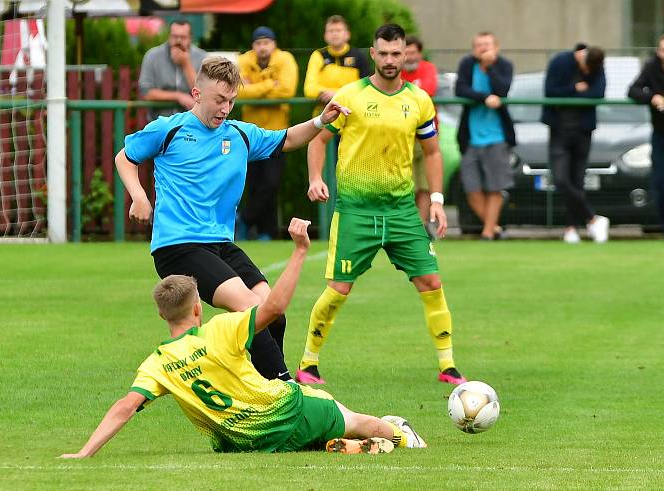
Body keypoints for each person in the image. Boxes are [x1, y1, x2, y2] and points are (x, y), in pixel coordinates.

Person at [60, 218, 426, 457]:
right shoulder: (223, 328)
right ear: (198, 308)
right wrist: (299, 252)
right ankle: (403, 435)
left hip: (242, 442)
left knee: (307, 436)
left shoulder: (158, 365)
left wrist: (84, 453)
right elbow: (275, 307)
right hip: (286, 411)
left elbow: (125, 408)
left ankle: (344, 446)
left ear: (161, 314)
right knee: (358, 419)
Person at [115, 57, 350, 383]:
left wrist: (320, 121)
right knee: (250, 311)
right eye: (219, 100)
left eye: (231, 100)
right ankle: (284, 388)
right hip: (178, 245)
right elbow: (124, 157)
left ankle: (258, 387)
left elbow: (287, 139)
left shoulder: (239, 134)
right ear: (197, 94)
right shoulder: (169, 129)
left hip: (220, 244)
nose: (225, 108)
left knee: (273, 312)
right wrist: (139, 197)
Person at [295, 24, 467, 387]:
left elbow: (432, 152)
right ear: (372, 54)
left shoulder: (419, 100)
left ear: (406, 54)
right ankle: (308, 364)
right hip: (356, 210)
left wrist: (436, 199)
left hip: (402, 210)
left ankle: (448, 366)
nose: (390, 60)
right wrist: (315, 178)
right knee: (338, 290)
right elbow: (317, 140)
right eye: (383, 53)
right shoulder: (351, 96)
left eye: (396, 53)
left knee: (431, 282)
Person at [236, 26, 299, 241]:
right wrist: (270, 84)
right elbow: (238, 92)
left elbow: (287, 90)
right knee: (252, 183)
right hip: (249, 133)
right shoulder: (243, 60)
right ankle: (265, 233)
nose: (263, 47)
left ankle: (244, 219)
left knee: (271, 183)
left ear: (274, 44)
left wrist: (255, 86)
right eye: (258, 43)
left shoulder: (285, 59)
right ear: (253, 46)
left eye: (267, 42)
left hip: (276, 133)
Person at [542, 43, 610, 244]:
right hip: (559, 131)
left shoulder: (597, 65)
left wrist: (571, 93)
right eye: (586, 68)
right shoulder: (559, 61)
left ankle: (571, 228)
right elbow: (550, 91)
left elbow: (597, 93)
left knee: (577, 181)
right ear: (581, 57)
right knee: (561, 179)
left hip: (583, 131)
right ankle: (593, 218)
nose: (588, 73)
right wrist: (575, 88)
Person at [454, 32, 516, 240]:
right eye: (479, 45)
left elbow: (502, 89)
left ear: (496, 47)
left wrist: (489, 68)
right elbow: (460, 89)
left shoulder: (504, 65)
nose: (483, 48)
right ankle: (495, 228)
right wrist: (485, 97)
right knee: (471, 189)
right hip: (470, 137)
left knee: (495, 187)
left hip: (497, 136)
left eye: (487, 45)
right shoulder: (467, 64)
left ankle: (488, 232)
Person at [628, 33, 664, 241]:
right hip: (660, 132)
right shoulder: (651, 67)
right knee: (658, 181)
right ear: (659, 52)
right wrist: (652, 97)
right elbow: (632, 90)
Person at [401, 36, 439, 222]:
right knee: (405, 185)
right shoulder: (395, 70)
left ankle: (421, 226)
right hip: (401, 134)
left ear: (420, 53)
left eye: (413, 52)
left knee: (424, 185)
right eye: (406, 53)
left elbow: (429, 90)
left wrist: (405, 93)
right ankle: (405, 224)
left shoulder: (428, 68)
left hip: (425, 134)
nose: (409, 57)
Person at [138, 19, 207, 121]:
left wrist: (186, 64)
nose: (178, 41)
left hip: (192, 123)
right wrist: (178, 96)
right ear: (169, 36)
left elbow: (204, 93)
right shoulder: (153, 56)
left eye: (183, 37)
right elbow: (146, 92)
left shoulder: (202, 57)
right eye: (175, 36)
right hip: (159, 122)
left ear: (190, 38)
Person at [304, 15, 372, 111]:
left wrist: (337, 93)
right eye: (331, 31)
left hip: (353, 112)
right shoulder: (318, 55)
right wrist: (327, 92)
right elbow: (309, 88)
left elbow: (366, 88)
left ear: (347, 34)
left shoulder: (359, 56)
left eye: (339, 30)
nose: (334, 34)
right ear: (325, 36)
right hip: (324, 115)